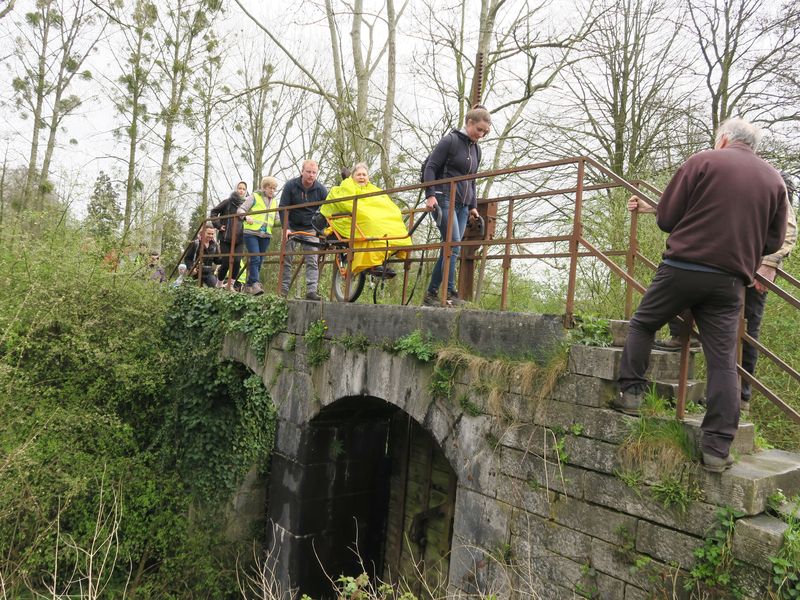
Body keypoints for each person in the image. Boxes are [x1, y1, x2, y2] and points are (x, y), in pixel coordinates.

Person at [614, 118, 787, 473]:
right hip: (730, 280)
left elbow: (667, 217)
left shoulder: (703, 160)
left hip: (683, 268)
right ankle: (717, 448)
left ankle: (631, 394)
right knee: (723, 359)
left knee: (644, 324)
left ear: (724, 139)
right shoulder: (773, 179)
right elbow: (774, 240)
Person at [628, 173, 797, 411]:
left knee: (744, 332)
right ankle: (681, 336)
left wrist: (769, 264)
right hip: (722, 263)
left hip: (752, 269)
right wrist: (654, 208)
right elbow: (699, 212)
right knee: (686, 282)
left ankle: (739, 397)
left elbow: (787, 227)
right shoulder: (727, 177)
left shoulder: (769, 181)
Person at [422, 104, 491, 307]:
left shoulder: (476, 149)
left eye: (485, 132)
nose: (481, 135)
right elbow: (431, 167)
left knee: (451, 247)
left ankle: (432, 293)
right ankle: (450, 291)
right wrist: (430, 195)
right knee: (453, 244)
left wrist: (473, 205)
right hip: (443, 197)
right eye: (479, 129)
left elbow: (472, 179)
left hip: (462, 204)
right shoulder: (450, 141)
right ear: (469, 123)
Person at [321, 163, 409, 275]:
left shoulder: (373, 189)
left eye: (364, 174)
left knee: (393, 215)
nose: (362, 177)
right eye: (358, 175)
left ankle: (389, 251)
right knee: (371, 222)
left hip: (371, 216)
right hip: (352, 218)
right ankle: (372, 261)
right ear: (352, 176)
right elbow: (344, 201)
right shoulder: (347, 185)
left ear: (368, 177)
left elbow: (385, 204)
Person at [279, 160, 328, 301]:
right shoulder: (291, 186)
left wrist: (321, 229)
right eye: (308, 172)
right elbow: (283, 207)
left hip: (310, 228)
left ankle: (311, 290)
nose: (311, 175)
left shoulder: (321, 189)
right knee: (286, 258)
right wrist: (286, 228)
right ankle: (283, 292)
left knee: (312, 259)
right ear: (302, 171)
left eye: (314, 173)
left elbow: (327, 209)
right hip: (292, 227)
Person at [241, 176, 280, 295]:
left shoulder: (274, 202)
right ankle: (255, 283)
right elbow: (241, 210)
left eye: (274, 188)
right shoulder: (254, 197)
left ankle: (249, 285)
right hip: (251, 232)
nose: (272, 191)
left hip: (266, 234)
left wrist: (288, 220)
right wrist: (246, 217)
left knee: (260, 260)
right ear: (264, 187)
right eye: (270, 188)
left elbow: (277, 219)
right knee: (256, 257)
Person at [210, 181, 248, 290]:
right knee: (226, 262)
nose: (241, 191)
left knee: (237, 261)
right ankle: (219, 284)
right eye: (239, 188)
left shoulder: (246, 205)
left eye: (243, 189)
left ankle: (230, 285)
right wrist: (218, 225)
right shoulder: (227, 202)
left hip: (240, 238)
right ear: (235, 189)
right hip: (226, 237)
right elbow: (213, 212)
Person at [184, 222, 221, 288]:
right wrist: (191, 268)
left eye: (212, 234)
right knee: (195, 289)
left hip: (209, 272)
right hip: (196, 272)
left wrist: (225, 259)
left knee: (215, 287)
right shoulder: (196, 243)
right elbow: (187, 258)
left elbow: (217, 260)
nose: (210, 236)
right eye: (208, 233)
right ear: (203, 233)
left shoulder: (214, 245)